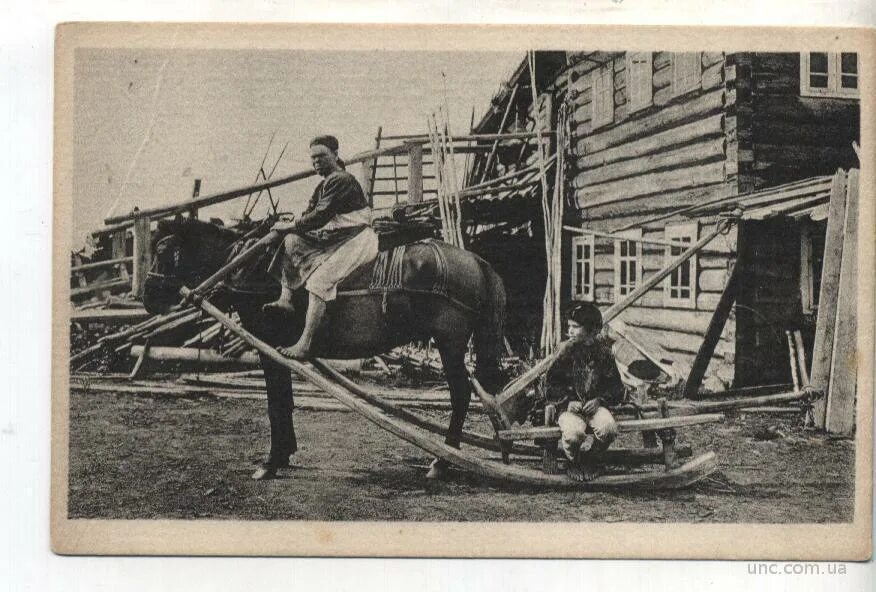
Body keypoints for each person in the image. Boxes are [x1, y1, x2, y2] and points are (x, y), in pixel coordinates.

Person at [264, 135, 379, 359]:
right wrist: (290, 228)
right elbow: (309, 213)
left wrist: (291, 225)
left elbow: (319, 215)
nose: (316, 162)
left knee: (319, 282)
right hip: (338, 236)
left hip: (357, 239)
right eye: (313, 158)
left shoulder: (341, 179)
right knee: (291, 242)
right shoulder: (324, 183)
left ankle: (305, 343)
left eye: (321, 156)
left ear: (336, 155)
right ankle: (286, 298)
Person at [545, 303, 625, 482]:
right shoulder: (564, 351)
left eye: (575, 327)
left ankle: (591, 457)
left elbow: (616, 387)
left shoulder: (604, 353)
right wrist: (567, 402)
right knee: (574, 435)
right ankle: (572, 460)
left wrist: (600, 400)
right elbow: (549, 385)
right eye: (569, 326)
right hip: (569, 408)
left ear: (590, 330)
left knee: (609, 429)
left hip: (595, 407)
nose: (570, 331)